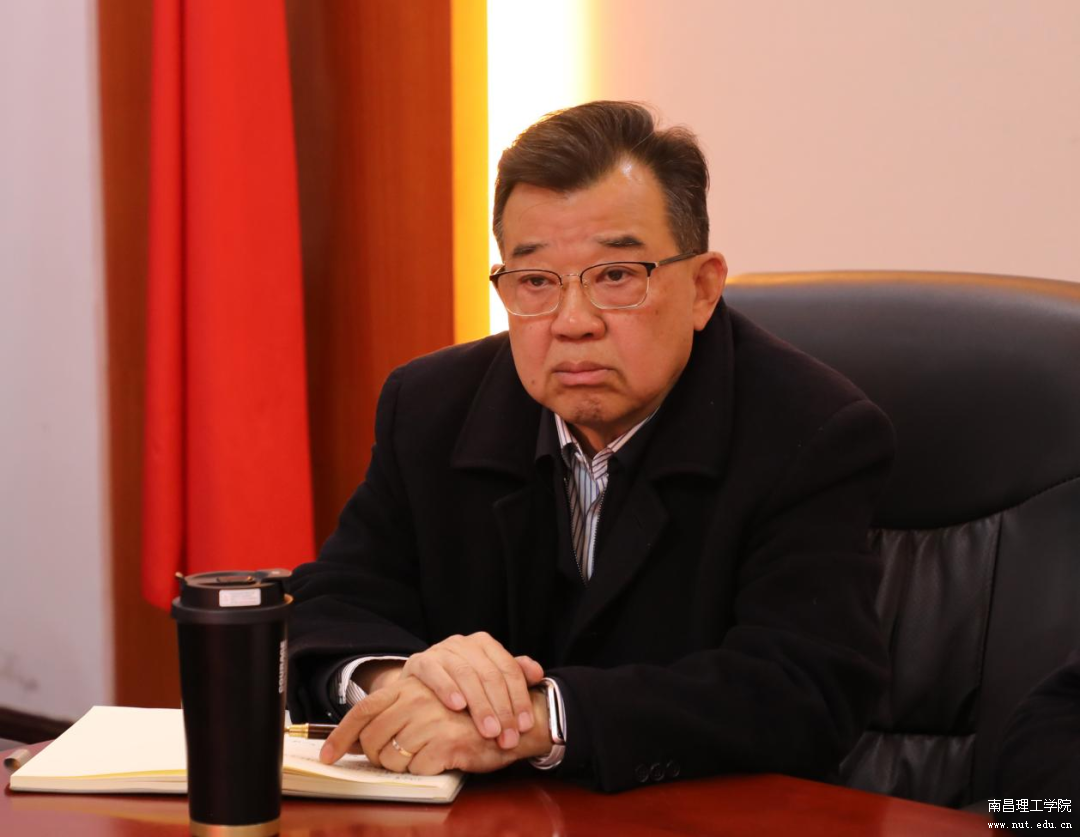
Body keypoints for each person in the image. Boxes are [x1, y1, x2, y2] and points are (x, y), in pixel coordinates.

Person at [286, 100, 895, 791]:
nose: (572, 322)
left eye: (615, 276)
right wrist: (401, 684)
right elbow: (331, 601)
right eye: (535, 282)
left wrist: (539, 718)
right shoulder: (430, 407)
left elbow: (804, 688)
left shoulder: (811, 432)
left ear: (702, 288)